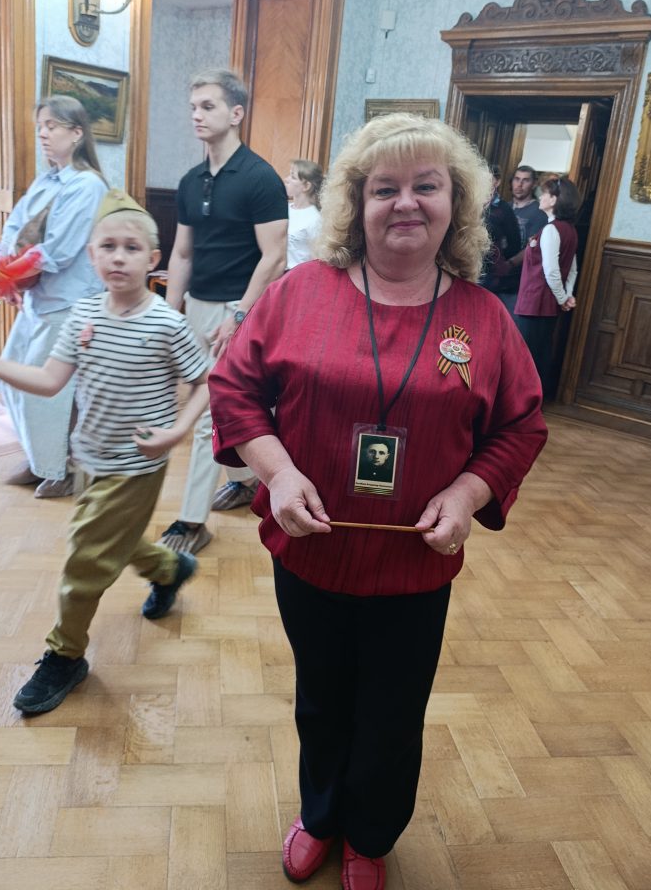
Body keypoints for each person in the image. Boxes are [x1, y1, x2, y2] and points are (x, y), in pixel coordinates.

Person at [208, 113, 548, 890]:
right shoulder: (298, 293)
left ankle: (369, 835)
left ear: (454, 204)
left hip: (414, 565)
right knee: (321, 700)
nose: (405, 203)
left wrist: (466, 490)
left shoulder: (484, 318)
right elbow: (233, 389)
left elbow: (521, 424)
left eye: (426, 186)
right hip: (311, 549)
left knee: (392, 713)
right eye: (384, 188)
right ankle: (320, 815)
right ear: (355, 205)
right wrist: (277, 473)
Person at [0, 194, 210, 714]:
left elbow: (206, 383)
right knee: (112, 540)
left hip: (136, 465)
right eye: (107, 247)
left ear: (152, 259)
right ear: (91, 256)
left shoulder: (166, 323)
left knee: (85, 560)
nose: (118, 257)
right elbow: (49, 380)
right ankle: (168, 567)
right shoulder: (84, 313)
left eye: (131, 248)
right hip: (88, 456)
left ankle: (65, 655)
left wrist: (176, 433)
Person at [158, 68, 288, 556]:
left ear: (236, 113)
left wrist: (238, 316)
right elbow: (182, 253)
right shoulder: (191, 181)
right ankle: (247, 479)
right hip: (196, 305)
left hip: (240, 310)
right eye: (193, 107)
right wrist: (169, 314)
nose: (197, 115)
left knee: (207, 412)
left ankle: (192, 521)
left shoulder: (260, 178)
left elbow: (274, 258)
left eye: (208, 106)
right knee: (214, 404)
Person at [0, 95, 108, 498]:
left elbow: (59, 251)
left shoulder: (88, 185)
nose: (42, 134)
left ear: (76, 133)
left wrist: (10, 274)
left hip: (68, 302)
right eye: (40, 126)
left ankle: (59, 468)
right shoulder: (46, 181)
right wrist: (5, 268)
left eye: (51, 126)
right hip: (37, 298)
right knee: (11, 379)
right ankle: (39, 457)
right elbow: (15, 227)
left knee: (47, 391)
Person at [514, 175, 579, 396]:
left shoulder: (552, 229)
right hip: (548, 305)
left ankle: (523, 403)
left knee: (526, 357)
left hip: (536, 303)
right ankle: (533, 401)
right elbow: (572, 269)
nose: (540, 197)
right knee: (540, 354)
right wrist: (567, 296)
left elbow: (551, 271)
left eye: (545, 194)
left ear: (554, 200)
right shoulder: (570, 229)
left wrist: (563, 298)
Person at [498, 164, 547, 314]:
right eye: (517, 179)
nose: (519, 184)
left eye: (525, 180)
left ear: (534, 184)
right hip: (495, 277)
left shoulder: (539, 212)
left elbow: (532, 246)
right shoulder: (503, 207)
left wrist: (510, 264)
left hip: (517, 281)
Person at [480, 164, 520, 293]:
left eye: (488, 178)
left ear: (497, 182)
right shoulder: (471, 204)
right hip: (468, 266)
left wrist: (500, 262)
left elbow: (514, 242)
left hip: (491, 272)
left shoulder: (504, 209)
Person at [285, 158, 323, 268]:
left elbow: (318, 260)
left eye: (293, 177)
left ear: (306, 186)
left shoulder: (315, 219)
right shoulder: (283, 208)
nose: (286, 180)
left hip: (295, 273)